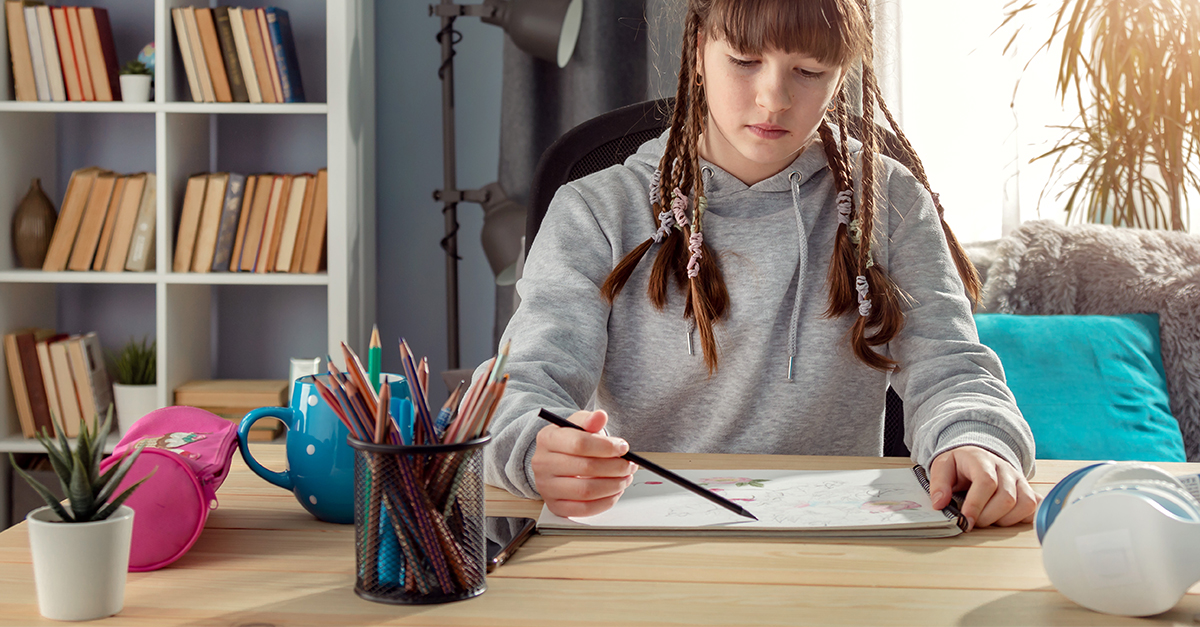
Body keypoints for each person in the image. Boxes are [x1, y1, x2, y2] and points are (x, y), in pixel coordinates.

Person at [479, 0, 1039, 531]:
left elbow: (954, 371)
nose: (773, 99)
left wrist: (976, 440)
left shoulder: (889, 203)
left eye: (810, 70)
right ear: (698, 49)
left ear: (843, 73)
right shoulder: (596, 211)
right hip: (647, 538)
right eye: (745, 61)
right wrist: (535, 447)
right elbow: (521, 385)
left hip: (835, 544)